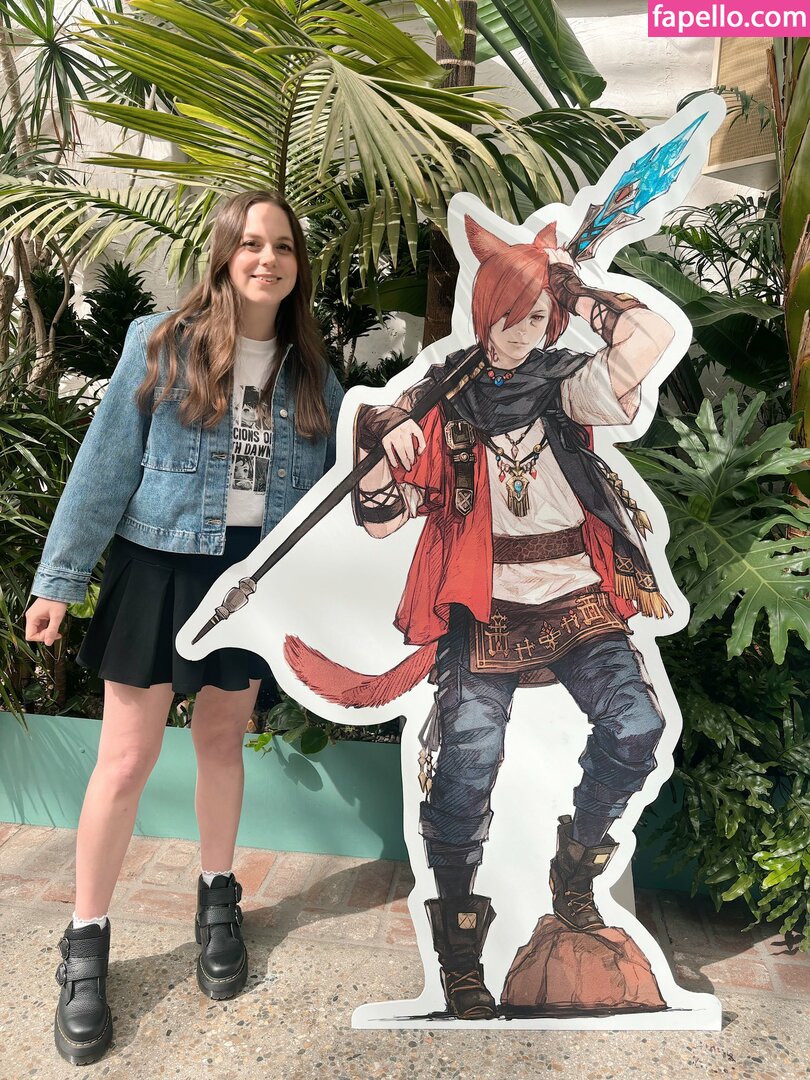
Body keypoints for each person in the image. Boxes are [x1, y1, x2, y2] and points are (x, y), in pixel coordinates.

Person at [288, 216, 675, 1020]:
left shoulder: (564, 382)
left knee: (637, 726)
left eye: (541, 318)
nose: (527, 334)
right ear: (485, 312)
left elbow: (653, 337)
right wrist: (379, 440)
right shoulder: (443, 400)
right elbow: (383, 521)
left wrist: (576, 291)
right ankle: (461, 958)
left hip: (576, 595)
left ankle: (576, 869)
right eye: (514, 316)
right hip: (481, 608)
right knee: (467, 763)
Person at [24, 190, 343, 1065]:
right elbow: (104, 467)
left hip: (249, 580)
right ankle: (86, 942)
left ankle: (216, 898)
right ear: (225, 255)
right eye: (252, 244)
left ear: (297, 265)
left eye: (283, 246)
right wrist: (60, 580)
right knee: (124, 760)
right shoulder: (161, 343)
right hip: (158, 567)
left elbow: (336, 491)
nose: (268, 259)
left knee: (220, 742)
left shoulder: (313, 371)